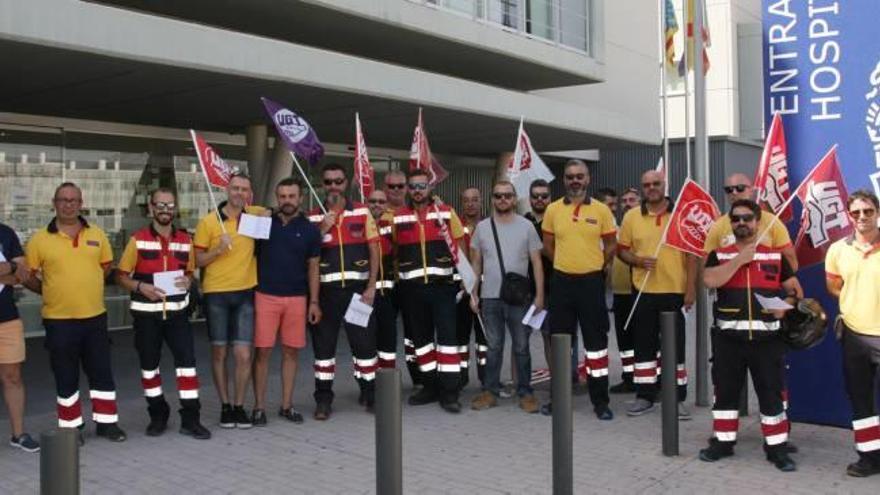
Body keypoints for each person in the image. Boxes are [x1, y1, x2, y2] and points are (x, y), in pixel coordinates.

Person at [701, 199, 800, 472]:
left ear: (758, 222)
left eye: (747, 218)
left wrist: (787, 306)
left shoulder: (775, 256)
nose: (741, 223)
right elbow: (710, 280)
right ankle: (722, 443)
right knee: (725, 394)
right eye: (736, 219)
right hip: (728, 341)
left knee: (771, 394)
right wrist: (739, 260)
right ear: (730, 223)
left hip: (767, 342)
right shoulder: (718, 255)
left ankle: (777, 449)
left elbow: (794, 291)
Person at [24, 182, 126, 443]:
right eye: (63, 199)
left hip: (94, 317)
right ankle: (71, 428)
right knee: (65, 376)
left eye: (73, 200)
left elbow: (105, 269)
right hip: (58, 321)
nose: (68, 204)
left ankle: (107, 424)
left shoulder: (98, 235)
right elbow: (27, 276)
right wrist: (50, 290)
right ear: (54, 203)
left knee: (101, 372)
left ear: (81, 204)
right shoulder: (39, 239)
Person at [115, 188, 210, 439]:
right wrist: (139, 286)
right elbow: (121, 275)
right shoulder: (137, 239)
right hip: (147, 318)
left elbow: (189, 272)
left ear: (175, 209)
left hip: (178, 317)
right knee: (149, 369)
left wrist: (189, 282)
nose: (165, 210)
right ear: (151, 207)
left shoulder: (185, 240)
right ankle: (158, 416)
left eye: (169, 206)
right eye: (160, 205)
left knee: (187, 368)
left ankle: (191, 419)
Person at [542, 160, 617, 420]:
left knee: (596, 345)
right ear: (564, 180)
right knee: (560, 343)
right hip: (562, 283)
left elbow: (611, 244)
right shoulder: (552, 210)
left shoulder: (602, 211)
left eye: (579, 176)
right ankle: (559, 399)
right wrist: (564, 264)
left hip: (591, 284)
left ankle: (601, 401)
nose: (575, 180)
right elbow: (548, 245)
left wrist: (597, 266)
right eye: (570, 176)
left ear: (587, 180)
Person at [618, 170, 696, 418]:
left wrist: (691, 289)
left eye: (656, 183)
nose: (651, 188)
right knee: (644, 347)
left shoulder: (681, 214)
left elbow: (692, 255)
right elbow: (622, 251)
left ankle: (676, 398)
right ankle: (645, 396)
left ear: (665, 185)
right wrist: (638, 260)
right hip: (644, 291)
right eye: (646, 185)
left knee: (675, 349)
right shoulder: (631, 216)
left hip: (674, 291)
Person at [307, 163, 379, 420]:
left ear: (346, 183)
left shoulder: (361, 211)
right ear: (322, 184)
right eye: (328, 182)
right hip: (326, 296)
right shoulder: (313, 216)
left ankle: (371, 394)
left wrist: (371, 286)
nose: (333, 186)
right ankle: (323, 400)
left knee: (364, 346)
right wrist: (321, 230)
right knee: (323, 351)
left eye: (338, 181)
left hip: (357, 293)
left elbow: (374, 250)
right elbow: (308, 256)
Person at [393, 169, 466, 413]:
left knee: (447, 341)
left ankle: (450, 392)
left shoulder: (445, 212)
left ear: (430, 188)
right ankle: (430, 386)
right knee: (421, 342)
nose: (417, 190)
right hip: (412, 291)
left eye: (421, 186)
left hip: (442, 288)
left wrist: (465, 279)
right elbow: (393, 252)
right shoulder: (398, 216)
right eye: (412, 186)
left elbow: (461, 245)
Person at [194, 173, 263, 429]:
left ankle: (238, 406)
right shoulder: (209, 222)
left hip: (246, 292)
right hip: (216, 294)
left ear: (249, 193)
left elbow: (272, 211)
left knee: (244, 354)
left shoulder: (253, 216)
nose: (239, 193)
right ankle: (224, 406)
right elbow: (197, 261)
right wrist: (218, 250)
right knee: (219, 352)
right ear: (227, 189)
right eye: (235, 188)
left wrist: (267, 213)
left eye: (244, 189)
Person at [251, 177, 322, 426]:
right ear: (277, 198)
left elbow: (314, 268)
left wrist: (314, 302)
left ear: (300, 198)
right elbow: (242, 240)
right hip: (265, 295)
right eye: (282, 196)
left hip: (297, 298)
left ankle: (286, 406)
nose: (287, 201)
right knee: (263, 353)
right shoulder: (263, 223)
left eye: (292, 196)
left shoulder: (311, 229)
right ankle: (259, 407)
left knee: (291, 352)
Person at [469, 181, 544, 413]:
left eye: (507, 196)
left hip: (519, 298)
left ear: (514, 199)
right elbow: (476, 263)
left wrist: (540, 296)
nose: (503, 200)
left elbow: (536, 263)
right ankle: (489, 391)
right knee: (493, 347)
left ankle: (525, 392)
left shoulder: (527, 226)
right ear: (492, 199)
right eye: (498, 196)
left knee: (521, 346)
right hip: (490, 297)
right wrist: (473, 293)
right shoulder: (482, 227)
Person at [825, 190, 880, 477]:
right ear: (848, 215)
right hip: (855, 335)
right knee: (861, 400)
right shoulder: (837, 250)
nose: (862, 217)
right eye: (856, 212)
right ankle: (869, 458)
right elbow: (833, 285)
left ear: (877, 212)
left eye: (868, 211)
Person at [0, 222, 39, 452]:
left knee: (13, 377)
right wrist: (10, 267)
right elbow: (13, 271)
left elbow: (21, 275)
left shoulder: (6, 233)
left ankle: (18, 434)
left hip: (7, 319)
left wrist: (14, 269)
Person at [705, 173, 797, 270]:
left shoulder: (772, 222)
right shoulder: (718, 226)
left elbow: (791, 263)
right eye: (729, 190)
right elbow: (706, 265)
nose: (734, 193)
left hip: (764, 282)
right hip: (731, 283)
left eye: (740, 188)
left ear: (751, 191)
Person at [383, 171, 421, 388]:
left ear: (406, 187)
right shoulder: (376, 212)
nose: (396, 190)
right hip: (385, 285)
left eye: (400, 186)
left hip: (410, 284)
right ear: (385, 187)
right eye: (392, 186)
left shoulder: (414, 213)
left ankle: (419, 380)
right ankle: (386, 384)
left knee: (414, 333)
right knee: (386, 336)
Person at [609, 187, 640, 393]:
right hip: (620, 293)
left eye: (632, 200)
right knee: (624, 339)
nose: (627, 203)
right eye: (624, 201)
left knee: (643, 338)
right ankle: (629, 377)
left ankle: (647, 380)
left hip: (639, 292)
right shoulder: (617, 231)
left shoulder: (642, 229)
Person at [457, 187, 488, 390]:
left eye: (474, 199)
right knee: (460, 337)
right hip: (461, 288)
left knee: (484, 337)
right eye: (466, 200)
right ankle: (460, 379)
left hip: (486, 289)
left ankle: (487, 379)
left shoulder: (489, 225)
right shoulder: (454, 225)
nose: (470, 203)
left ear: (481, 201)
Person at [367, 189, 398, 372]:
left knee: (387, 341)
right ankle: (367, 386)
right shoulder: (358, 223)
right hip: (363, 295)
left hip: (387, 296)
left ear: (386, 205)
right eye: (372, 201)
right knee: (364, 340)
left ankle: (387, 382)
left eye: (381, 201)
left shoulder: (392, 223)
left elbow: (398, 253)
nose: (377, 204)